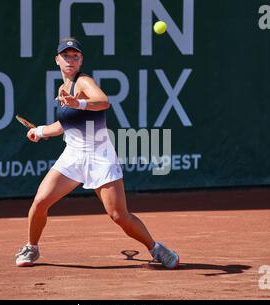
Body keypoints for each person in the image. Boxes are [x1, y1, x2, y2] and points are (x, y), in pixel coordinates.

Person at [15, 37, 179, 269]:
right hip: (72, 156)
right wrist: (41, 131)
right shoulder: (62, 89)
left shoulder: (84, 82)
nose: (70, 59)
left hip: (100, 156)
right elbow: (65, 123)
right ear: (57, 60)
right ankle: (32, 248)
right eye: (65, 56)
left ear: (81, 60)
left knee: (119, 216)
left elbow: (103, 102)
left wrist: (79, 103)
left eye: (75, 56)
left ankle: (157, 248)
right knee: (40, 202)